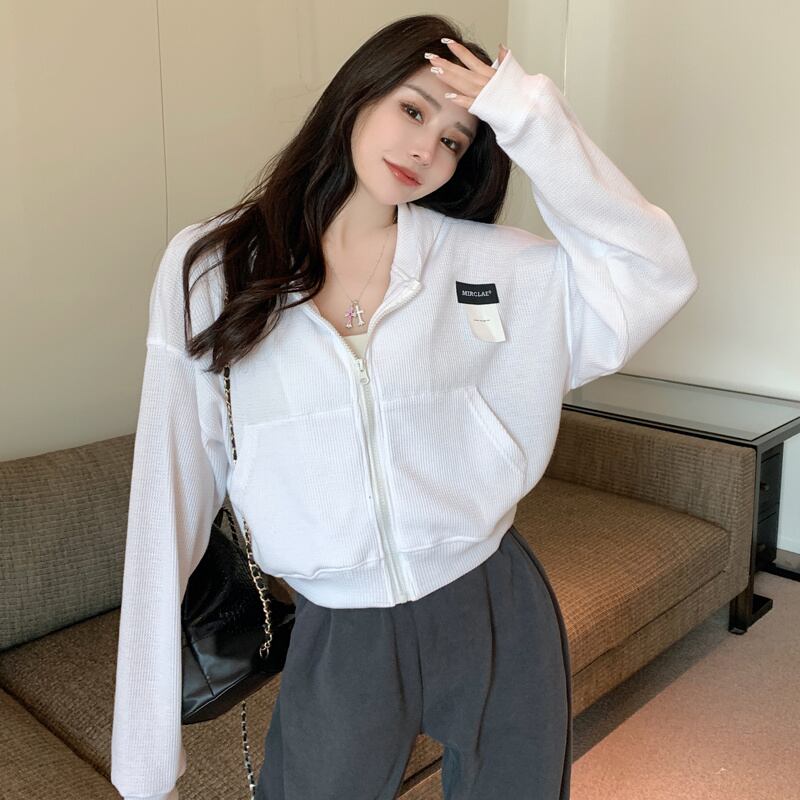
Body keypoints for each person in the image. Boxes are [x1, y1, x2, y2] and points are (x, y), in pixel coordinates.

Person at [110, 12, 698, 800]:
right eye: (413, 110)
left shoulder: (488, 265)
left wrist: (528, 116)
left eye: (454, 138)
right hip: (341, 626)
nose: (426, 149)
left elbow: (651, 273)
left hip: (491, 596)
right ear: (357, 97)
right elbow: (168, 493)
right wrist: (143, 759)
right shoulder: (214, 266)